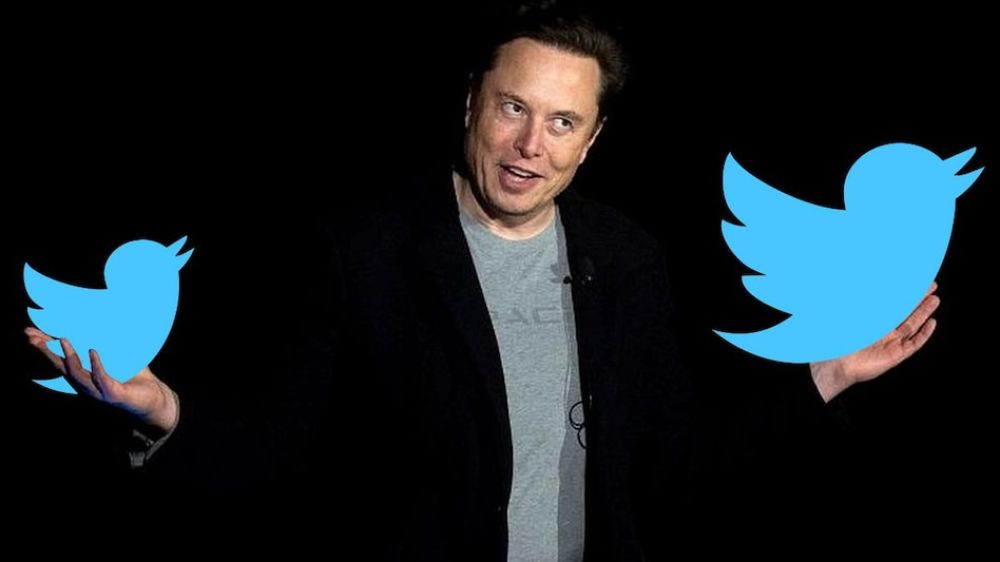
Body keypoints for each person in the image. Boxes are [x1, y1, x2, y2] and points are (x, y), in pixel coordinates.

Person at [23, 5, 940, 560]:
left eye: (562, 122)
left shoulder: (625, 257)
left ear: (592, 139)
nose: (530, 145)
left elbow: (673, 457)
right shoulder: (366, 250)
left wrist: (827, 376)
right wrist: (165, 412)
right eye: (513, 108)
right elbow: (282, 443)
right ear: (472, 102)